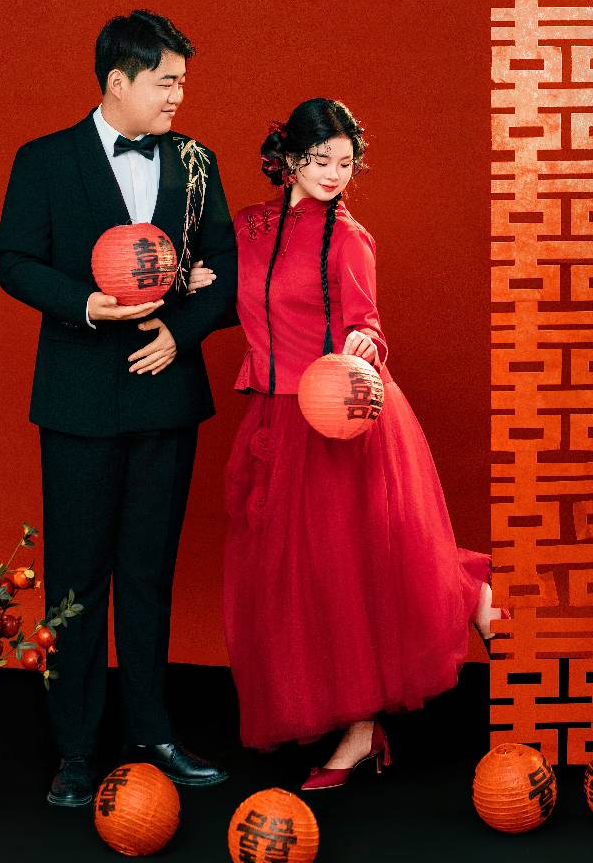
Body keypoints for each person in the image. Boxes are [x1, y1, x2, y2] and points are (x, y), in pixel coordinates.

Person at [214, 98, 504, 791]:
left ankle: (456, 605)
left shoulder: (348, 238)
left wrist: (363, 344)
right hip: (273, 417)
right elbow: (231, 291)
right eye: (320, 161)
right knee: (299, 582)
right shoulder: (247, 228)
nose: (333, 175)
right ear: (288, 159)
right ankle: (365, 725)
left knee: (348, 572)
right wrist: (199, 280)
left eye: (345, 163)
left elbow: (368, 322)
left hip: (334, 415)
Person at [0, 10, 237, 805]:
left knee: (147, 574)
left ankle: (152, 730)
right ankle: (74, 749)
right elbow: (13, 260)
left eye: (182, 82)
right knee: (76, 576)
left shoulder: (196, 162)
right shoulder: (43, 159)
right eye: (165, 81)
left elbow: (226, 268)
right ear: (118, 82)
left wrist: (179, 334)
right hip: (77, 402)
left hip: (166, 397)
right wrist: (86, 304)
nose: (177, 96)